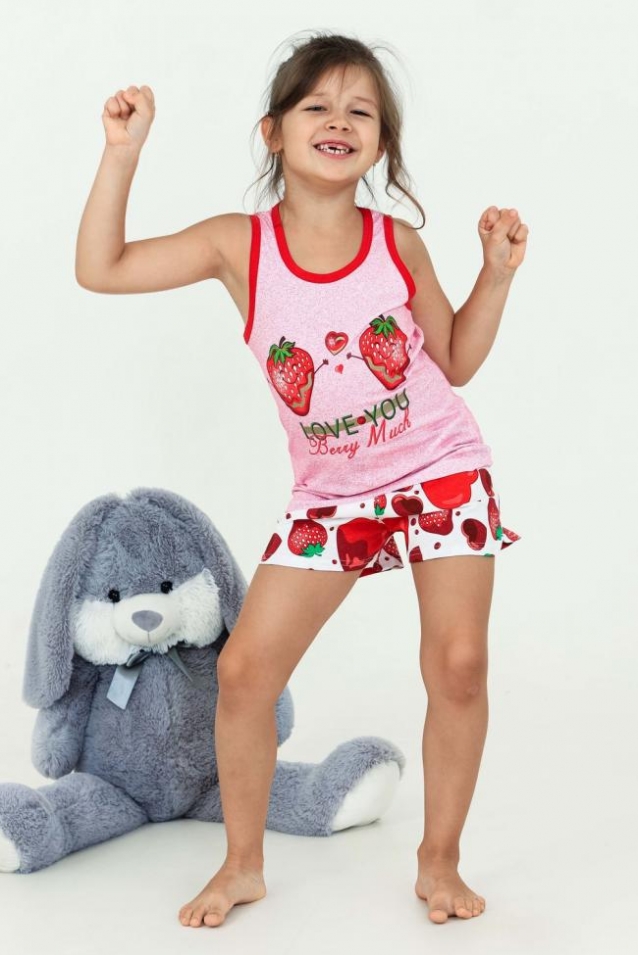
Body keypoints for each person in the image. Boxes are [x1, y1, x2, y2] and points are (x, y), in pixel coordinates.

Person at [75, 30, 527, 927]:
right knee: (244, 670)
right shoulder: (239, 245)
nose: (339, 121)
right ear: (273, 132)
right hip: (333, 495)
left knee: (460, 664)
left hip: (440, 468)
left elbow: (455, 361)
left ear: (382, 144)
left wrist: (496, 276)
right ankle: (243, 864)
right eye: (316, 105)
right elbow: (102, 268)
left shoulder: (397, 243)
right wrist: (121, 154)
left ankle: (439, 858)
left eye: (361, 111)